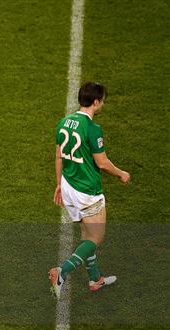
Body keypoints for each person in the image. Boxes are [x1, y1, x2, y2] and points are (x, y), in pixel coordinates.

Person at [49, 82, 131, 299]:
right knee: (95, 238)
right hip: (87, 192)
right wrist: (121, 173)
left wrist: (58, 184)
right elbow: (102, 163)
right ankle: (61, 272)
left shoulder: (63, 122)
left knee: (86, 235)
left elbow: (58, 156)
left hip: (68, 187)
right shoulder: (93, 129)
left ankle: (95, 278)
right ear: (96, 102)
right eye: (102, 100)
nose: (102, 103)